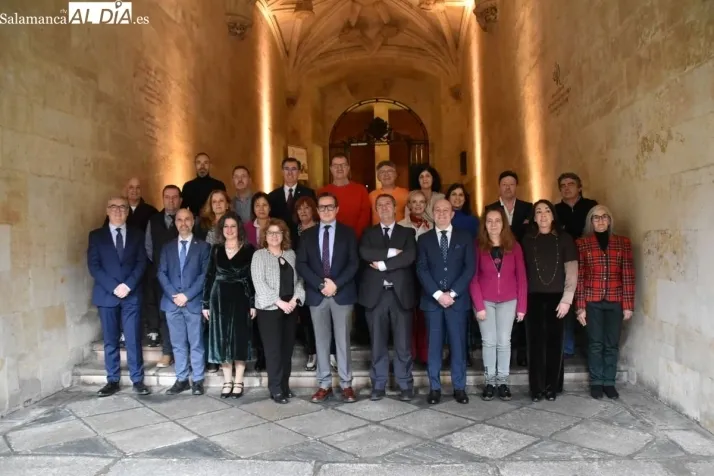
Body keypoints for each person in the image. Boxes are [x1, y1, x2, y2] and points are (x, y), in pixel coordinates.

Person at [296, 192, 359, 403]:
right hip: (317, 294)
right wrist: (321, 284)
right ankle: (324, 384)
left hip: (342, 293)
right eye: (322, 207)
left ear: (337, 209)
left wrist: (336, 284)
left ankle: (346, 384)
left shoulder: (348, 233)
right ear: (317, 210)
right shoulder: (307, 235)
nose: (326, 210)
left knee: (342, 341)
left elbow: (354, 263)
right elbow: (301, 264)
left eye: (330, 206)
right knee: (321, 341)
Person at [87, 196, 149, 397]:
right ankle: (112, 380)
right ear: (107, 210)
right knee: (110, 340)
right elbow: (94, 266)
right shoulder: (96, 236)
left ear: (127, 211)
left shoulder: (137, 234)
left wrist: (128, 285)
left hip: (131, 295)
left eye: (122, 207)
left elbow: (142, 262)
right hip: (107, 295)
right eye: (113, 207)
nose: (118, 210)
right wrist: (114, 287)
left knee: (133, 338)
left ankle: (137, 379)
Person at [416, 199, 475, 405]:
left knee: (458, 345)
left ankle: (459, 387)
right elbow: (421, 269)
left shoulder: (465, 237)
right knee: (434, 346)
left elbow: (469, 268)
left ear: (452, 214)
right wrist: (438, 294)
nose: (441, 213)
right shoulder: (423, 239)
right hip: (432, 302)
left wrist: (453, 293)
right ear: (433, 214)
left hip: (457, 301)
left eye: (446, 210)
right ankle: (435, 388)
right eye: (438, 210)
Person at [359, 194, 417, 402]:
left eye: (387, 204)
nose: (384, 208)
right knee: (377, 344)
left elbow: (409, 256)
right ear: (376, 210)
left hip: (400, 295)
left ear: (395, 208)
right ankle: (379, 384)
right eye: (380, 205)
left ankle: (405, 384)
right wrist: (392, 252)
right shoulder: (368, 233)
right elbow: (365, 253)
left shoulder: (407, 232)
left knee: (403, 345)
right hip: (376, 296)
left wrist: (383, 264)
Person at [576, 205, 635, 400]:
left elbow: (628, 274)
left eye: (604, 217)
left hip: (615, 300)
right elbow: (580, 276)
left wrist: (628, 305)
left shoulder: (623, 243)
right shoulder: (582, 244)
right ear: (591, 221)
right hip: (592, 300)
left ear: (609, 220)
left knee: (612, 344)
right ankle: (596, 382)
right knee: (595, 343)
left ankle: (609, 382)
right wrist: (580, 307)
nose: (600, 221)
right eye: (596, 218)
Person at [521, 200, 578, 402]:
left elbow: (571, 272)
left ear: (553, 215)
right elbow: (521, 272)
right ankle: (536, 388)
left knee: (555, 344)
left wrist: (567, 300)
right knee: (535, 345)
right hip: (533, 297)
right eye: (539, 212)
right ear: (534, 218)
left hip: (558, 298)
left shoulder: (565, 239)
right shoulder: (527, 240)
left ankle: (552, 387)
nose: (543, 215)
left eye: (547, 211)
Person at [469, 207, 527, 401]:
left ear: (504, 224)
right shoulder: (478, 246)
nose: (493, 225)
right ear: (484, 225)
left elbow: (521, 278)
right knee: (489, 341)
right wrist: (479, 305)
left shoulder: (514, 246)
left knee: (504, 341)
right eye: (489, 221)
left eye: (497, 221)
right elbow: (473, 279)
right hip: (485, 301)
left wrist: (522, 307)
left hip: (509, 301)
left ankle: (502, 382)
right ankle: (489, 382)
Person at [202, 211, 256, 399]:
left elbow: (252, 278)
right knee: (222, 339)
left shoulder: (249, 249)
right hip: (219, 298)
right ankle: (227, 380)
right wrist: (205, 304)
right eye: (226, 226)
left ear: (239, 228)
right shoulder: (216, 249)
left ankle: (238, 380)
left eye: (233, 226)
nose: (229, 230)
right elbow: (209, 276)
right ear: (221, 229)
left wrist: (253, 303)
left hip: (242, 297)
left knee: (240, 339)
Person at [157, 209, 211, 395]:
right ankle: (181, 379)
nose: (183, 223)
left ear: (193, 222)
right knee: (177, 344)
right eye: (179, 220)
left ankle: (197, 380)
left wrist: (187, 295)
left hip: (193, 302)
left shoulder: (203, 247)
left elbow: (204, 275)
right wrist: (174, 295)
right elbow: (161, 273)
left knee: (196, 344)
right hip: (172, 303)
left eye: (187, 219)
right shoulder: (167, 247)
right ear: (175, 223)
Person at [251, 219, 305, 404]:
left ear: (284, 235)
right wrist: (279, 302)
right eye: (270, 232)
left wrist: (295, 299)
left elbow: (300, 280)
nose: (274, 236)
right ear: (265, 236)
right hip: (270, 309)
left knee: (287, 350)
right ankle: (275, 389)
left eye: (278, 232)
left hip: (290, 307)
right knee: (273, 350)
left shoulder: (291, 254)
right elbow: (259, 283)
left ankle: (285, 386)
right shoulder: (259, 255)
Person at [485, 170, 533, 367]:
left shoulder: (528, 208)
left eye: (511, 184)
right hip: (495, 261)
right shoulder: (490, 208)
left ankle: (521, 352)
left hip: (519, 257)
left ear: (516, 186)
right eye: (504, 184)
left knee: (517, 314)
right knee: (492, 336)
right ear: (499, 187)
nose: (508, 187)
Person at [554, 172, 598, 358]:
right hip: (565, 261)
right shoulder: (555, 210)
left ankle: (590, 346)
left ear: (579, 187)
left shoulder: (591, 207)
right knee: (567, 300)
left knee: (588, 302)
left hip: (589, 261)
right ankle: (567, 346)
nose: (566, 188)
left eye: (570, 184)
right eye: (563, 185)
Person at [144, 184, 181, 363]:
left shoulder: (187, 219)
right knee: (165, 314)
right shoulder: (153, 220)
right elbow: (149, 248)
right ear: (162, 199)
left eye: (174, 197)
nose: (171, 200)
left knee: (184, 316)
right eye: (167, 197)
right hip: (162, 277)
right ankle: (167, 352)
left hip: (183, 277)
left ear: (180, 200)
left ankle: (183, 354)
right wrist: (162, 267)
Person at [399, 190, 431, 364]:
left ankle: (424, 354)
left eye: (421, 202)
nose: (418, 205)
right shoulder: (400, 226)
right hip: (406, 275)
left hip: (427, 276)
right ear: (409, 205)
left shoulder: (432, 225)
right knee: (407, 315)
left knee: (424, 314)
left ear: (426, 205)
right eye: (414, 202)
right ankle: (410, 353)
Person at [318, 154, 371, 240]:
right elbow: (320, 216)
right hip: (330, 238)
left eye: (343, 165)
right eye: (336, 165)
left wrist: (353, 236)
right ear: (331, 169)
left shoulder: (361, 190)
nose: (339, 168)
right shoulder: (322, 191)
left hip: (356, 238)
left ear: (348, 168)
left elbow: (365, 217)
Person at [294, 196, 320, 371]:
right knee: (305, 318)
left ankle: (329, 353)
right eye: (300, 208)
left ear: (313, 210)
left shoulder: (321, 229)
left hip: (318, 278)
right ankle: (312, 352)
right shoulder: (293, 231)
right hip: (299, 278)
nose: (303, 211)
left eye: (307, 207)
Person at [268, 157, 316, 241]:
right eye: (286, 169)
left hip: (303, 239)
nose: (290, 172)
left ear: (299, 172)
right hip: (279, 240)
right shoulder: (272, 196)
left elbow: (314, 217)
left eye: (293, 169)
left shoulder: (308, 193)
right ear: (282, 172)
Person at [181, 152, 226, 217]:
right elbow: (183, 209)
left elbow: (224, 208)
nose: (202, 166)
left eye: (206, 163)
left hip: (215, 220)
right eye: (199, 163)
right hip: (194, 221)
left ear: (209, 165)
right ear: (195, 165)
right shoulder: (188, 186)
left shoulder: (219, 185)